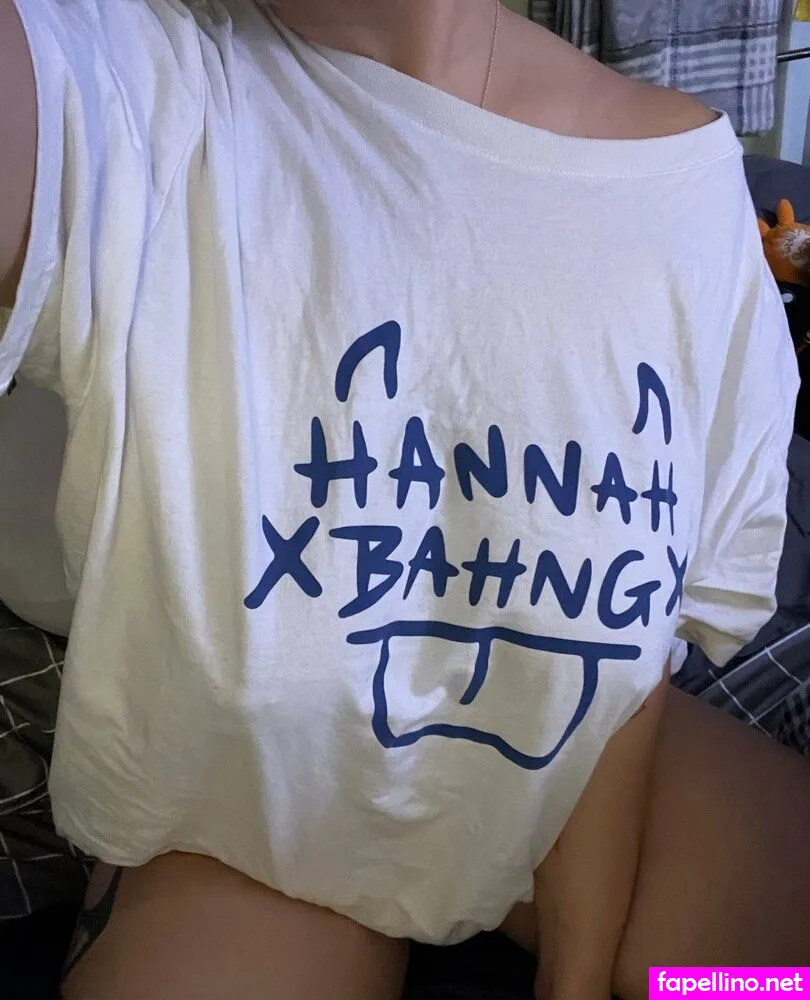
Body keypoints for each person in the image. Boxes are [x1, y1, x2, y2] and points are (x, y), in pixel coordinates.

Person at [0, 1, 807, 997]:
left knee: (754, 983)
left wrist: (579, 974)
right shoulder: (130, 80)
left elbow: (632, 636)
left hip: (570, 762)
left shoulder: (680, 179)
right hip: (250, 808)